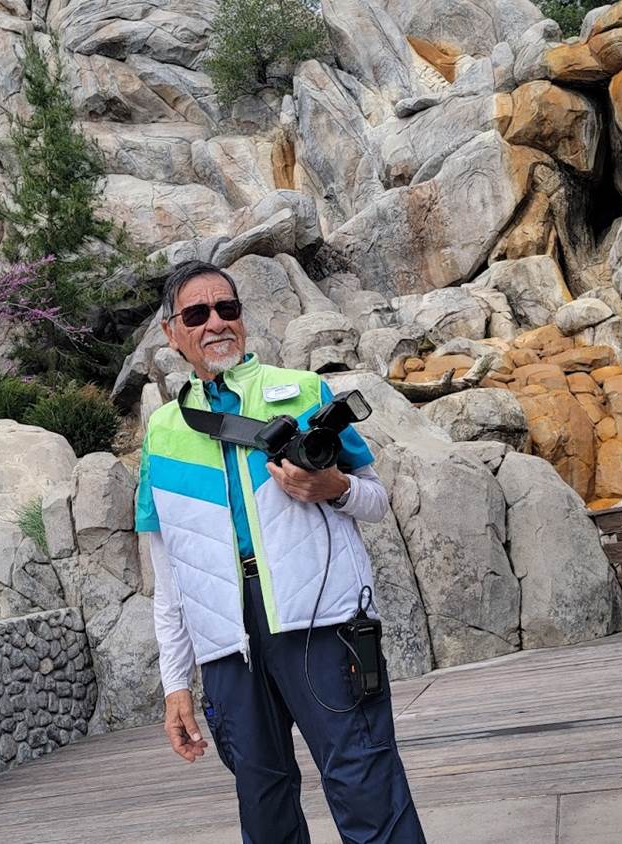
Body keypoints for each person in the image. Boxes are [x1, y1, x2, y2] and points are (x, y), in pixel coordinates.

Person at [135, 260, 426, 843]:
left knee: (365, 782)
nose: (216, 323)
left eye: (227, 309)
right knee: (263, 805)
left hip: (322, 624)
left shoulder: (304, 392)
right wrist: (175, 684)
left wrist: (333, 488)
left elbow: (375, 499)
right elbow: (169, 577)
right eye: (197, 314)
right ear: (172, 332)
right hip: (227, 644)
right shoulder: (163, 433)